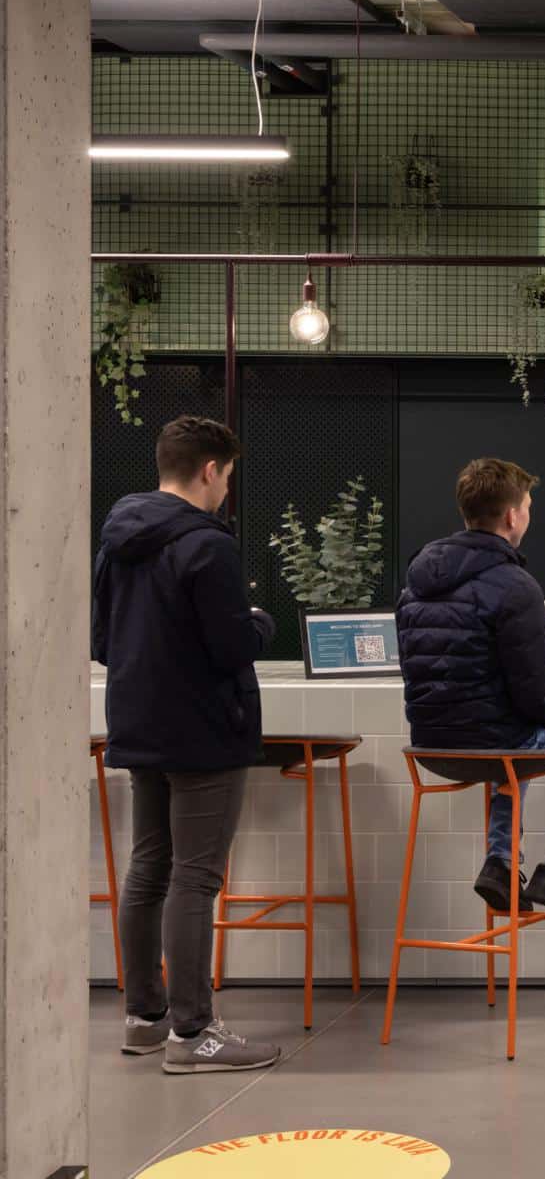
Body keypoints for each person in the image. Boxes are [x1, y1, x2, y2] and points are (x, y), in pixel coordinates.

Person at [93, 416, 281, 1073]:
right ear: (210, 471)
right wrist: (260, 622)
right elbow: (231, 646)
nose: (227, 489)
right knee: (196, 879)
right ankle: (193, 1033)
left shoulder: (118, 539)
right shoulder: (209, 546)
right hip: (205, 731)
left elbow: (101, 642)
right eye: (227, 476)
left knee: (148, 870)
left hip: (138, 722)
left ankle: (144, 1020)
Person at [397, 457, 545, 919]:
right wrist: (541, 717)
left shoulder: (414, 585)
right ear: (512, 516)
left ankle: (501, 865)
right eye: (527, 504)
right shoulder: (514, 585)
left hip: (429, 748)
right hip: (492, 746)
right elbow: (535, 693)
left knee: (507, 740)